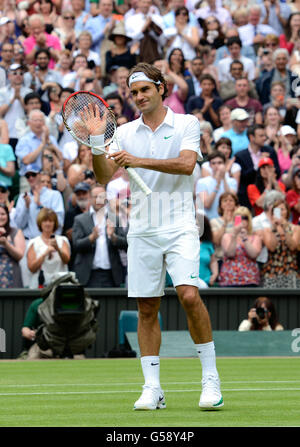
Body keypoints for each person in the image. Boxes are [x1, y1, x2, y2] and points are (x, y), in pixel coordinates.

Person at [87, 62, 224, 410]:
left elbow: (186, 164)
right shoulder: (124, 131)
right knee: (147, 306)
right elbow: (104, 175)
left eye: (145, 89)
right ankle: (153, 389)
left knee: (189, 295)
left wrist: (136, 160)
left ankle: (210, 379)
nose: (139, 96)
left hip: (180, 225)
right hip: (143, 229)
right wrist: (94, 143)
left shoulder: (187, 123)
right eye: (133, 92)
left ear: (161, 88)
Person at [72, 184, 125, 287]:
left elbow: (126, 244)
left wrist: (114, 237)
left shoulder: (115, 219)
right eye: (96, 196)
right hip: (88, 274)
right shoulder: (80, 219)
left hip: (111, 274)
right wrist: (91, 238)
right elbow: (76, 245)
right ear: (90, 198)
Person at [235, 124, 281, 208]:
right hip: (248, 198)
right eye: (261, 136)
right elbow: (243, 178)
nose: (264, 138)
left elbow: (277, 172)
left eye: (265, 135)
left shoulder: (270, 151)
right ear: (251, 137)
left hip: (271, 195)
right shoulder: (240, 155)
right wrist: (258, 164)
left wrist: (268, 164)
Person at [260, 198, 300, 288]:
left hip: (289, 269)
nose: (280, 212)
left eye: (283, 209)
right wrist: (275, 228)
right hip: (272, 270)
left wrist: (285, 228)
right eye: (277, 210)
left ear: (287, 211)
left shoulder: (295, 228)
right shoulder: (267, 230)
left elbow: (293, 246)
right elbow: (272, 247)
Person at [27, 207, 70, 288]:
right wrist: (46, 252)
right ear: (40, 223)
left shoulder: (63, 240)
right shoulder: (33, 242)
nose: (48, 224)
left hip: (59, 286)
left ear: (55, 223)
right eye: (45, 221)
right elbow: (32, 268)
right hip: (39, 286)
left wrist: (57, 248)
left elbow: (66, 260)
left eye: (50, 221)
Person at [218, 206, 262, 287]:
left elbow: (253, 254)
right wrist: (234, 235)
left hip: (250, 280)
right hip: (229, 280)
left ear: (249, 220)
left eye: (244, 217)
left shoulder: (255, 238)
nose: (242, 220)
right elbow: (230, 254)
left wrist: (245, 238)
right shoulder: (227, 236)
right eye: (239, 217)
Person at [196, 150, 238, 220]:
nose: (216, 166)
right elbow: (206, 204)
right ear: (209, 165)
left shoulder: (232, 181)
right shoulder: (202, 182)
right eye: (213, 163)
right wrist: (217, 185)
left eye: (219, 163)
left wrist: (223, 178)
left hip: (228, 221)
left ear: (224, 164)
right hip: (210, 221)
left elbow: (231, 200)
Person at [210, 191, 238, 269]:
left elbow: (240, 238)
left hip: (238, 260)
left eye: (231, 200)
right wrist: (225, 223)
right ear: (221, 205)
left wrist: (238, 216)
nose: (228, 203)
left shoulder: (239, 220)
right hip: (220, 260)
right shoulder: (214, 221)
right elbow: (216, 241)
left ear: (235, 204)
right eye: (225, 200)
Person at [0, 204, 25, 288]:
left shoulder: (15, 232)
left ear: (8, 216)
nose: (0, 217)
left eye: (3, 214)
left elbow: (19, 256)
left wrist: (6, 244)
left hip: (11, 277)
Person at [198, 214, 218, 287]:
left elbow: (213, 261)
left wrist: (215, 274)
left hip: (205, 282)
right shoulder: (184, 243)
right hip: (187, 283)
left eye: (199, 225)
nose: (197, 227)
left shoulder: (208, 244)